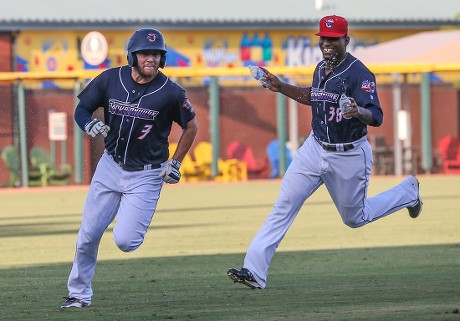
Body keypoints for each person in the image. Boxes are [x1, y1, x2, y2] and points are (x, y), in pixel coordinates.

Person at [227, 15, 422, 289]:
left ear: (346, 40)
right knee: (285, 203)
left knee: (355, 218)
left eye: (333, 38)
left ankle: (408, 192)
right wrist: (279, 86)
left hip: (349, 155)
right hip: (314, 148)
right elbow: (313, 96)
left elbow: (376, 116)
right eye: (323, 38)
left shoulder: (359, 74)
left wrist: (358, 111)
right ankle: (254, 271)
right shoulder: (321, 68)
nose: (327, 43)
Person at [61, 28, 198, 308]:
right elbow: (81, 109)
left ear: (163, 58)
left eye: (157, 53)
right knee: (88, 234)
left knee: (125, 241)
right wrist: (88, 124)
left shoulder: (170, 92)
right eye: (145, 53)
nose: (151, 58)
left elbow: (191, 126)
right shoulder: (111, 79)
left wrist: (176, 163)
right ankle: (78, 294)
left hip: (147, 174)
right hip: (110, 166)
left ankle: (131, 218)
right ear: (132, 55)